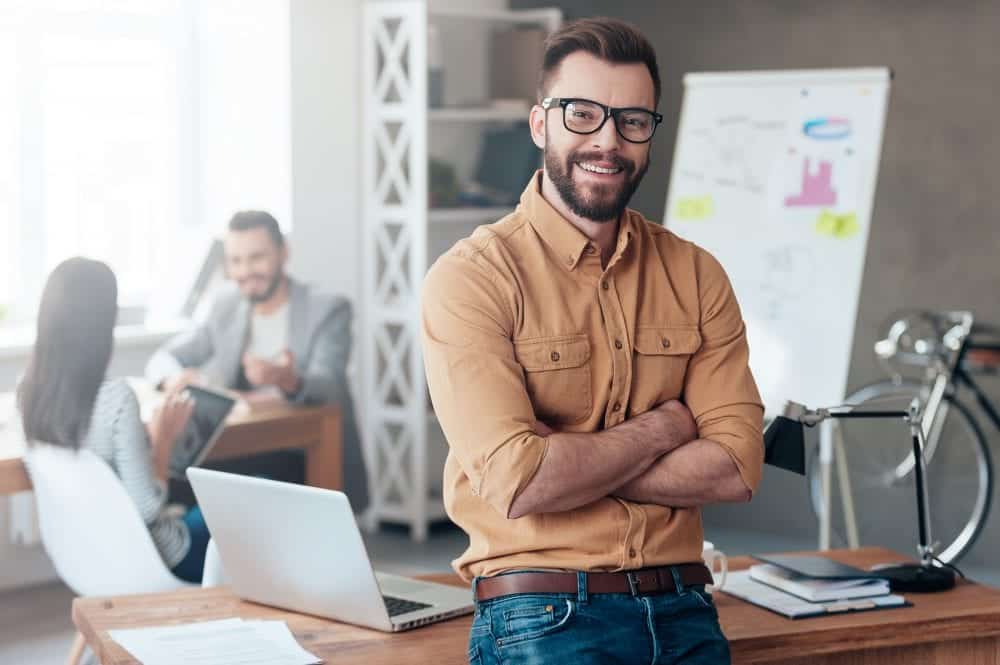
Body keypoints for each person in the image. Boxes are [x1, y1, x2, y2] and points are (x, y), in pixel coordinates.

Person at [421, 18, 763, 665]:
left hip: (686, 604)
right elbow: (518, 483)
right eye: (583, 114)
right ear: (540, 124)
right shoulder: (471, 278)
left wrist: (569, 463)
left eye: (633, 120)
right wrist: (665, 428)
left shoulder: (697, 274)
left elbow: (737, 465)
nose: (608, 140)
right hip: (543, 612)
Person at [145, 210, 368, 512]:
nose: (245, 270)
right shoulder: (226, 305)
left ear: (284, 252)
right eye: (235, 261)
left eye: (256, 258)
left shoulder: (326, 308)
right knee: (173, 479)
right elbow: (162, 358)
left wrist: (287, 379)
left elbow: (330, 386)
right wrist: (174, 378)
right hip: (237, 451)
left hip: (303, 452)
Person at [18, 258, 210, 582]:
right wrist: (163, 439)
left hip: (86, 564)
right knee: (249, 513)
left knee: (198, 513)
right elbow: (147, 509)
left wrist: (141, 438)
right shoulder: (116, 399)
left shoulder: (30, 393)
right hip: (160, 561)